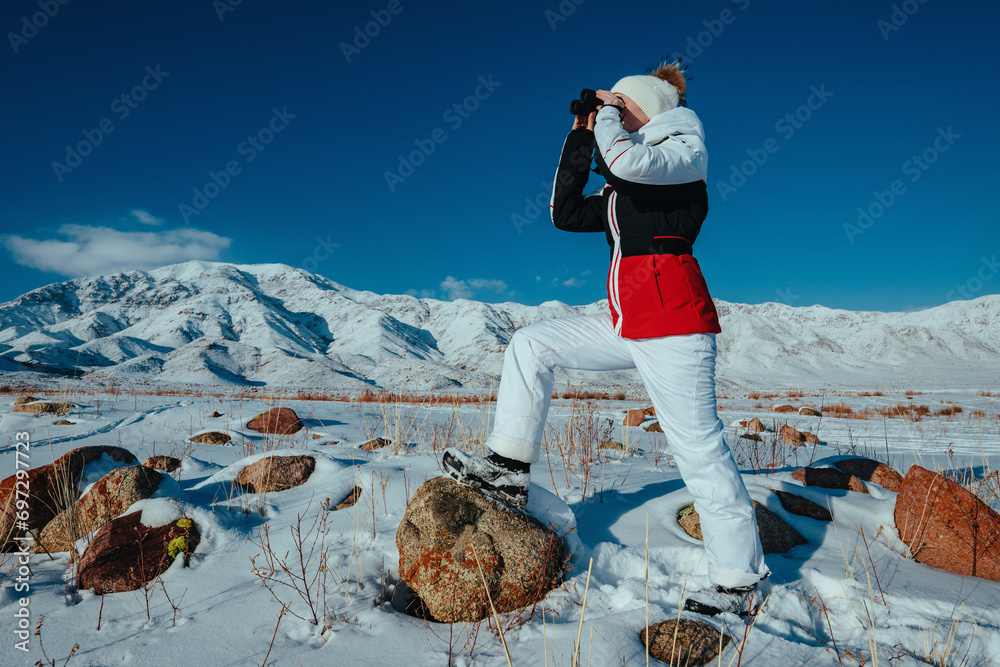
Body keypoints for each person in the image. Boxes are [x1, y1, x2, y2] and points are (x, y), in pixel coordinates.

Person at [443, 61, 769, 616]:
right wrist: (578, 138)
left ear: (644, 110)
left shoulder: (682, 155)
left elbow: (625, 161)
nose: (609, 113)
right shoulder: (629, 180)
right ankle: (507, 468)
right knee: (530, 345)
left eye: (621, 105)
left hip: (673, 327)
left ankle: (738, 579)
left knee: (699, 451)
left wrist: (608, 116)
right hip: (625, 322)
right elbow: (565, 214)